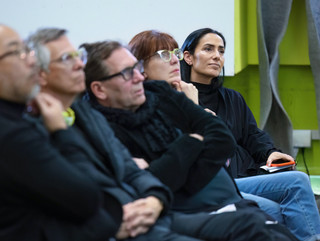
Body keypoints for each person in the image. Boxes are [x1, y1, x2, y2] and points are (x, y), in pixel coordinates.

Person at [27, 27, 299, 241]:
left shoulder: (180, 95)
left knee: (275, 204)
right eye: (68, 58)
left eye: (174, 54)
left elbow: (224, 139)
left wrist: (163, 184)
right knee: (257, 219)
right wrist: (190, 145)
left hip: (193, 195)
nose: (174, 61)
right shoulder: (78, 118)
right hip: (168, 206)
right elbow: (122, 177)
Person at [180, 27, 320, 241]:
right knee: (288, 197)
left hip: (245, 174)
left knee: (296, 186)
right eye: (208, 49)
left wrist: (270, 152)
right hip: (216, 181)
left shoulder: (232, 98)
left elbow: (252, 135)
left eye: (221, 51)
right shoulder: (177, 98)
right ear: (188, 57)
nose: (217, 56)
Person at [0, 24, 123, 241]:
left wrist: (153, 199)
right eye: (15, 52)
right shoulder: (12, 134)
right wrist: (61, 132)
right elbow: (87, 199)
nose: (30, 61)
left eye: (25, 51)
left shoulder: (87, 112)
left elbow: (128, 171)